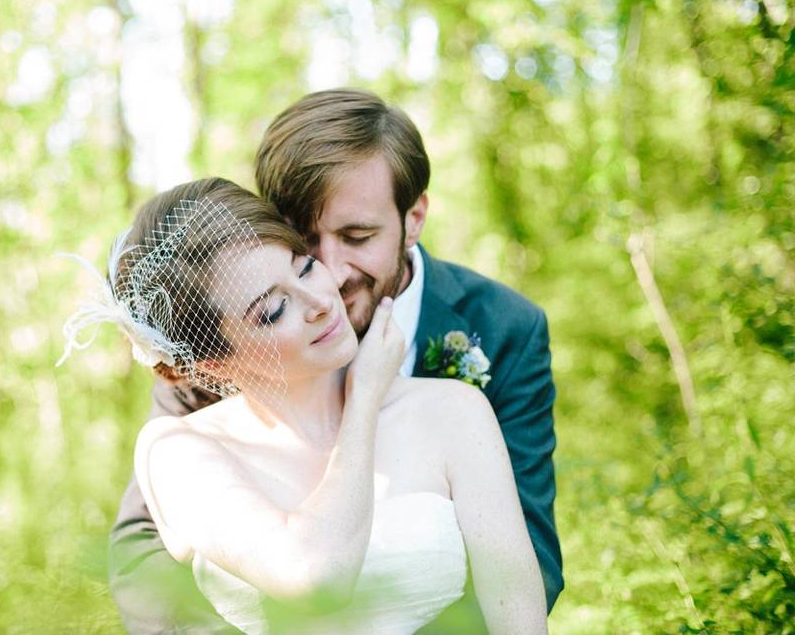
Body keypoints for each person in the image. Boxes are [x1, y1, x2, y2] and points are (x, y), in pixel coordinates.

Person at [109, 89, 562, 633]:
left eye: (357, 236)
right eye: (304, 243)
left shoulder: (500, 335)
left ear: (413, 218)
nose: (331, 276)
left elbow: (526, 562)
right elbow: (144, 551)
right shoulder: (206, 353)